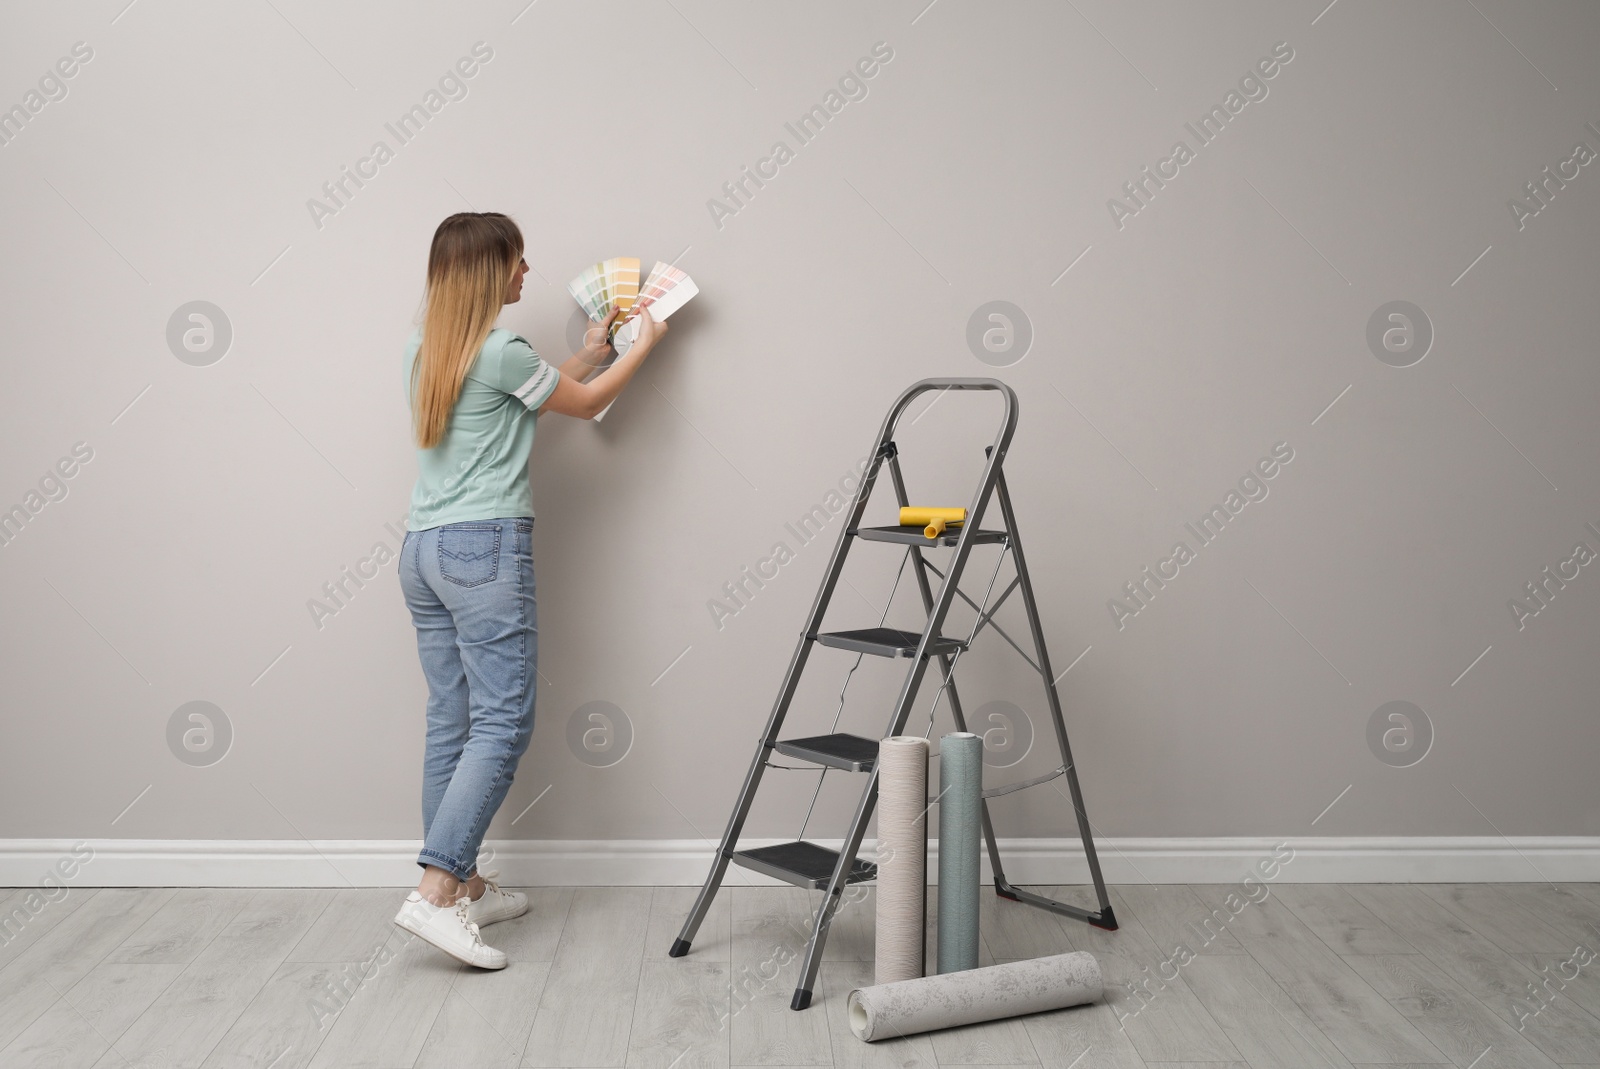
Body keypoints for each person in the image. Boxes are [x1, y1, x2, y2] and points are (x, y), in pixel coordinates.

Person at [391, 212, 666, 968]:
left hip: (423, 551)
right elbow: (577, 407)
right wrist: (644, 350)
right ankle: (436, 892)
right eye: (516, 260)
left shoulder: (430, 349)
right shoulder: (503, 350)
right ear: (490, 271)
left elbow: (531, 396)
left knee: (452, 718)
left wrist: (582, 354)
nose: (527, 270)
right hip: (483, 549)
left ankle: (467, 884)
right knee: (504, 719)